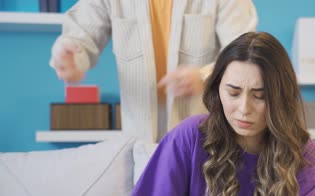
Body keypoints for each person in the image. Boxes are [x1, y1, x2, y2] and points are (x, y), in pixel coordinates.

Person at [126, 32, 315, 196]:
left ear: (281, 97)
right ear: (217, 89)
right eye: (233, 92)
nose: (243, 109)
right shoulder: (191, 135)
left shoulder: (304, 154)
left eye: (260, 96)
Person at [49, 0, 258, 142]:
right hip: (138, 145)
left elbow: (244, 52)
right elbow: (79, 36)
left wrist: (205, 77)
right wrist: (70, 58)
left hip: (206, 143)